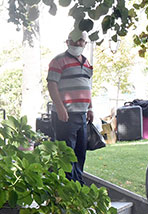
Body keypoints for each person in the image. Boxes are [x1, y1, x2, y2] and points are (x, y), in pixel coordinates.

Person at [47, 31, 93, 185]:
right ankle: (66, 189)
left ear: (85, 43)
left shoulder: (87, 63)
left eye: (82, 41)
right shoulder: (58, 61)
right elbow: (52, 84)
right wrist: (60, 108)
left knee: (80, 154)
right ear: (67, 42)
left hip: (82, 115)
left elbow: (87, 86)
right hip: (65, 115)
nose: (78, 43)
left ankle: (78, 187)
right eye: (75, 40)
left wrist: (90, 108)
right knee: (66, 155)